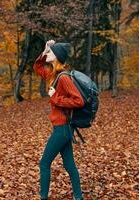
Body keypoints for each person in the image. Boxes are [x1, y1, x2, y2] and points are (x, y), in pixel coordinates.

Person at [33, 40, 85, 200]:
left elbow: (79, 101)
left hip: (62, 129)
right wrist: (46, 48)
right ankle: (78, 197)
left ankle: (43, 197)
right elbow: (37, 67)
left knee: (44, 163)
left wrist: (55, 98)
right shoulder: (52, 75)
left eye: (50, 52)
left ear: (57, 57)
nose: (47, 54)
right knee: (69, 165)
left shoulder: (63, 78)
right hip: (63, 128)